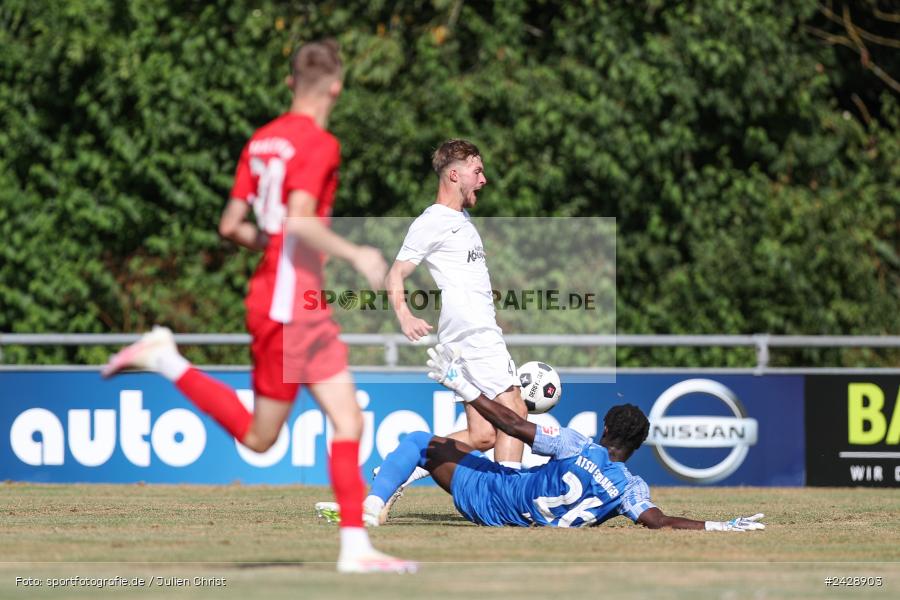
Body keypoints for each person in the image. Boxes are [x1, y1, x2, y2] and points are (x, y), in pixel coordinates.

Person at [102, 39, 416, 574]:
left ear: (291, 82)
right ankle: (354, 549)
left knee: (289, 431)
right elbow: (300, 221)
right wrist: (356, 252)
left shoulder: (263, 140)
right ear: (337, 86)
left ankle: (354, 548)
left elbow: (231, 225)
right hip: (293, 306)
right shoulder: (319, 144)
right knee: (317, 426)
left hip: (274, 296)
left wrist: (279, 245)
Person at [317, 345, 766, 532]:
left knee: (417, 440)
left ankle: (370, 508)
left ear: (607, 430)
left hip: (493, 497)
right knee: (487, 455)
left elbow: (511, 425)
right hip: (523, 518)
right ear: (634, 448)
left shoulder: (576, 444)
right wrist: (716, 525)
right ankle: (378, 492)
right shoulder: (629, 488)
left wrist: (463, 385)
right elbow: (660, 522)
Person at [384, 139, 529, 483]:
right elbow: (395, 273)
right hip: (473, 334)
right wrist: (404, 314)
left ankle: (402, 465)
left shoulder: (461, 218)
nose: (484, 179)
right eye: (477, 171)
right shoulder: (433, 221)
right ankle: (510, 500)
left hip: (467, 335)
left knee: (482, 436)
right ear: (453, 175)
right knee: (514, 411)